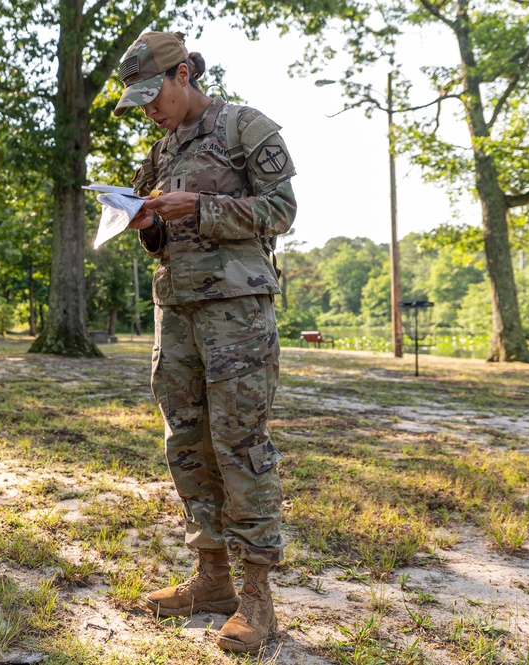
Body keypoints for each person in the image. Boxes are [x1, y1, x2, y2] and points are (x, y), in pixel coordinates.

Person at [113, 31, 297, 654]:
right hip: (178, 313)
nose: (148, 111)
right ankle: (211, 579)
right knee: (186, 443)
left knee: (239, 444)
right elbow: (161, 234)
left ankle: (256, 598)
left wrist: (204, 207)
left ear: (184, 73)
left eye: (152, 95)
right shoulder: (159, 151)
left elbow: (282, 210)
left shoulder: (247, 127)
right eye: (138, 103)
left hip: (238, 313)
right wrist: (146, 223)